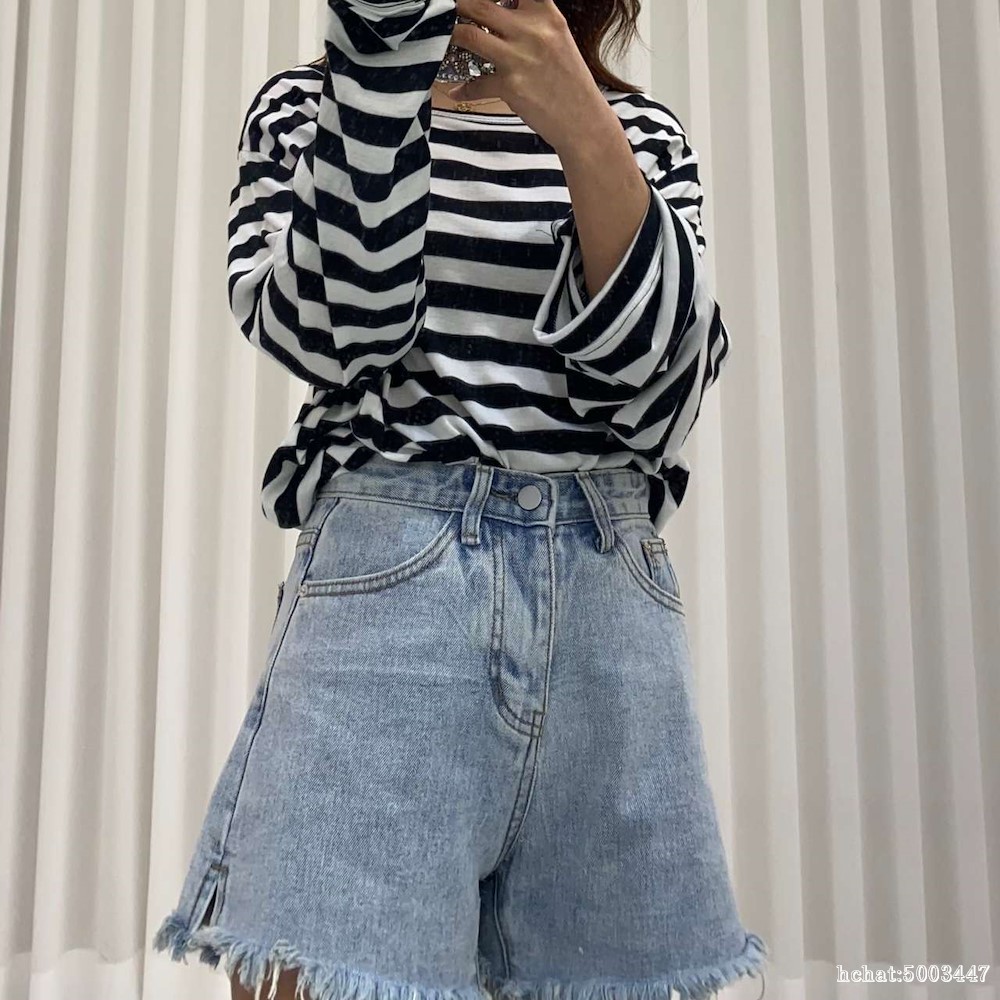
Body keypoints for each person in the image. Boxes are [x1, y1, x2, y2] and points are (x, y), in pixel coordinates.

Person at [152, 1, 769, 998]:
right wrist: (378, 76)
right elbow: (328, 331)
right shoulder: (308, 108)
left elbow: (664, 390)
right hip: (388, 592)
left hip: (605, 611)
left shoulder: (640, 134)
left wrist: (582, 126)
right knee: (319, 973)